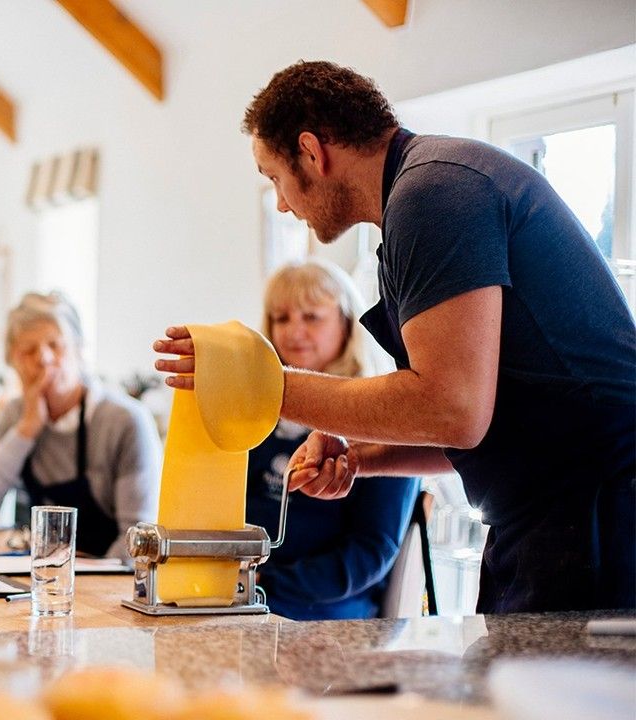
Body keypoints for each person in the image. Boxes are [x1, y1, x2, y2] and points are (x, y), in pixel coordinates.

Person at [155, 60, 635, 614]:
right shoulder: (421, 200)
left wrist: (259, 385)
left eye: (274, 179)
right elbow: (477, 419)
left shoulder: (434, 193)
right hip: (547, 520)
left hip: (601, 519)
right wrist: (362, 455)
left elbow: (453, 407)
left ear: (312, 152)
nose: (283, 204)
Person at [248, 259, 418, 619]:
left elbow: (372, 550)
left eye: (311, 317)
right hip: (246, 595)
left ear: (346, 323)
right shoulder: (253, 416)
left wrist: (266, 582)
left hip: (326, 608)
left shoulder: (382, 414)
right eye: (281, 318)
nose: (294, 331)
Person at [0, 292, 161, 562]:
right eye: (29, 350)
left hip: (108, 584)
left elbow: (139, 541)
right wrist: (26, 429)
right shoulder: (14, 415)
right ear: (13, 361)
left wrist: (77, 584)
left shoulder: (126, 421)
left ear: (79, 349)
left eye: (55, 345)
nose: (43, 358)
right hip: (44, 580)